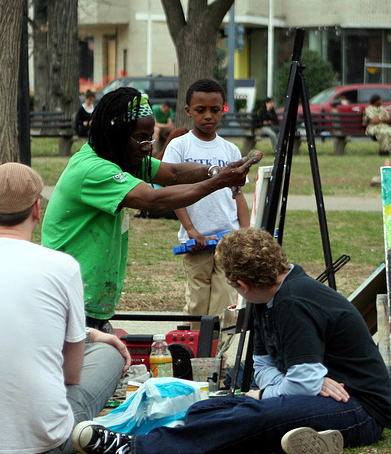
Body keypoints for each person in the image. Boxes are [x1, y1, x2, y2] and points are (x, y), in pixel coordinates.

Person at [71, 227, 391, 454]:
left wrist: (277, 390)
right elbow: (266, 365)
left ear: (242, 284)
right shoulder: (266, 294)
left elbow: (302, 381)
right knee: (207, 407)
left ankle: (138, 447)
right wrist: (289, 386)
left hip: (361, 408)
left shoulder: (293, 302)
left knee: (261, 411)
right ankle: (318, 438)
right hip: (319, 396)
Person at [41, 87, 255, 333]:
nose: (147, 147)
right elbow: (153, 200)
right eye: (140, 138)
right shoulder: (94, 169)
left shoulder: (121, 159)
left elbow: (173, 173)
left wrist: (216, 171)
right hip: (68, 302)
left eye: (149, 138)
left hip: (87, 302)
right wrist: (219, 182)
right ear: (116, 134)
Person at [0, 163, 130, 454]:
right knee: (108, 352)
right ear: (37, 209)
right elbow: (71, 375)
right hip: (44, 440)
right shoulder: (61, 266)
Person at [163, 79, 251, 322]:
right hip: (196, 243)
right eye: (201, 110)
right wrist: (191, 230)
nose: (208, 116)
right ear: (188, 111)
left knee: (226, 305)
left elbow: (238, 195)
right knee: (197, 304)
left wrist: (244, 233)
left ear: (224, 109)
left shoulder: (231, 150)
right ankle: (192, 354)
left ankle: (215, 357)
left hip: (228, 241)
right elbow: (174, 193)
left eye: (215, 110)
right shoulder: (179, 147)